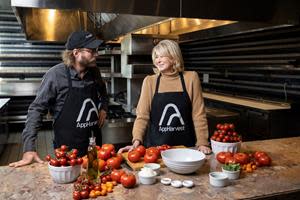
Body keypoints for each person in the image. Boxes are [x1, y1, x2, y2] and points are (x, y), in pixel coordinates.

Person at [9, 31, 108, 167]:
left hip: (93, 145)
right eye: (91, 51)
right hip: (67, 152)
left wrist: (104, 108)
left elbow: (103, 90)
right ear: (76, 52)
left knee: (94, 181)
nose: (96, 54)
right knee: (69, 184)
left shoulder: (95, 72)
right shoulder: (55, 75)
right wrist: (29, 148)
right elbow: (36, 109)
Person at [118, 39, 211, 154]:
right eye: (156, 57)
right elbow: (142, 115)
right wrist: (137, 140)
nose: (158, 60)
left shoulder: (191, 78)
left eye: (162, 56)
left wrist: (202, 142)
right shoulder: (150, 81)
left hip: (185, 149)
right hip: (156, 150)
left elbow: (198, 114)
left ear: (173, 57)